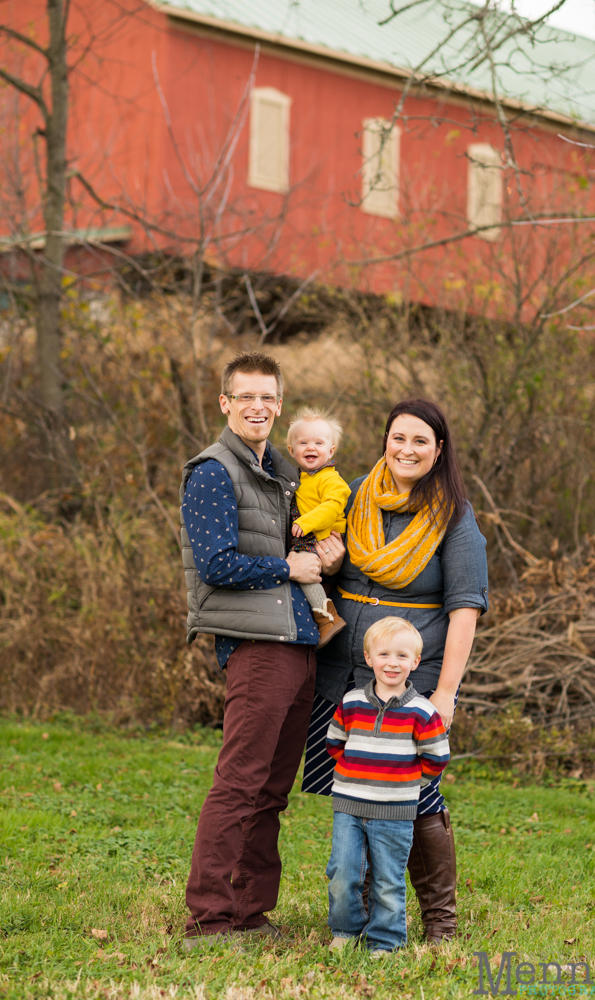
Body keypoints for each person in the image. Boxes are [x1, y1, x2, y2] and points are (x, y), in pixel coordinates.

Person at [302, 398, 489, 944]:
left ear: (438, 452)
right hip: (342, 669)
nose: (407, 450)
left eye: (420, 442)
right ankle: (361, 918)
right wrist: (330, 562)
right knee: (350, 784)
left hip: (412, 676)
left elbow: (465, 609)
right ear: (385, 440)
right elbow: (321, 563)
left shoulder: (454, 515)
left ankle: (439, 922)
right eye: (398, 438)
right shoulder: (354, 494)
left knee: (416, 796)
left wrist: (446, 692)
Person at [179, 350, 334, 949]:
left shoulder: (279, 471)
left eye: (268, 397)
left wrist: (325, 554)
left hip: (297, 640)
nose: (258, 407)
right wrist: (288, 566)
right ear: (225, 402)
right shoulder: (214, 471)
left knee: (272, 789)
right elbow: (215, 564)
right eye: (245, 396)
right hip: (256, 644)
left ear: (279, 402)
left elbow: (296, 552)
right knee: (240, 780)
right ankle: (209, 919)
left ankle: (250, 915)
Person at [325, 617, 450, 956]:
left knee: (387, 879)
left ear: (415, 662)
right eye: (384, 654)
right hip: (349, 806)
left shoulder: (422, 712)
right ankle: (345, 931)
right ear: (368, 658)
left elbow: (437, 758)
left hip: (395, 811)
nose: (392, 663)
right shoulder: (352, 702)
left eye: (401, 656)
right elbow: (335, 744)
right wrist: (355, 776)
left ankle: (386, 940)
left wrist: (407, 785)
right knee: (343, 872)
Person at [286, 406, 350, 648]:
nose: (311, 447)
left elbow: (332, 507)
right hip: (308, 535)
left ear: (331, 450)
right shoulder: (301, 478)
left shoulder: (331, 479)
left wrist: (305, 522)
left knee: (305, 572)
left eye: (319, 443)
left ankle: (326, 618)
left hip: (321, 537)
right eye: (303, 442)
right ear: (292, 450)